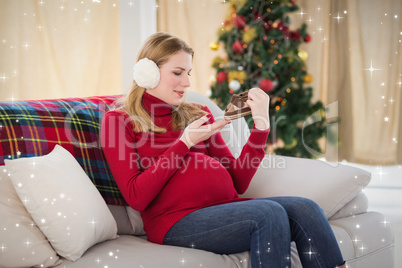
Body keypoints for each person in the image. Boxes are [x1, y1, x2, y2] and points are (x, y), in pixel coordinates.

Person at [101, 32, 345, 268]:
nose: (186, 83)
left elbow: (238, 181)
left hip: (225, 209)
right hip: (174, 221)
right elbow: (136, 196)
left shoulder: (198, 113)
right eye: (177, 73)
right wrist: (184, 144)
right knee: (267, 213)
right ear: (148, 73)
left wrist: (261, 126)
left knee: (307, 209)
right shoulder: (119, 120)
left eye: (188, 73)